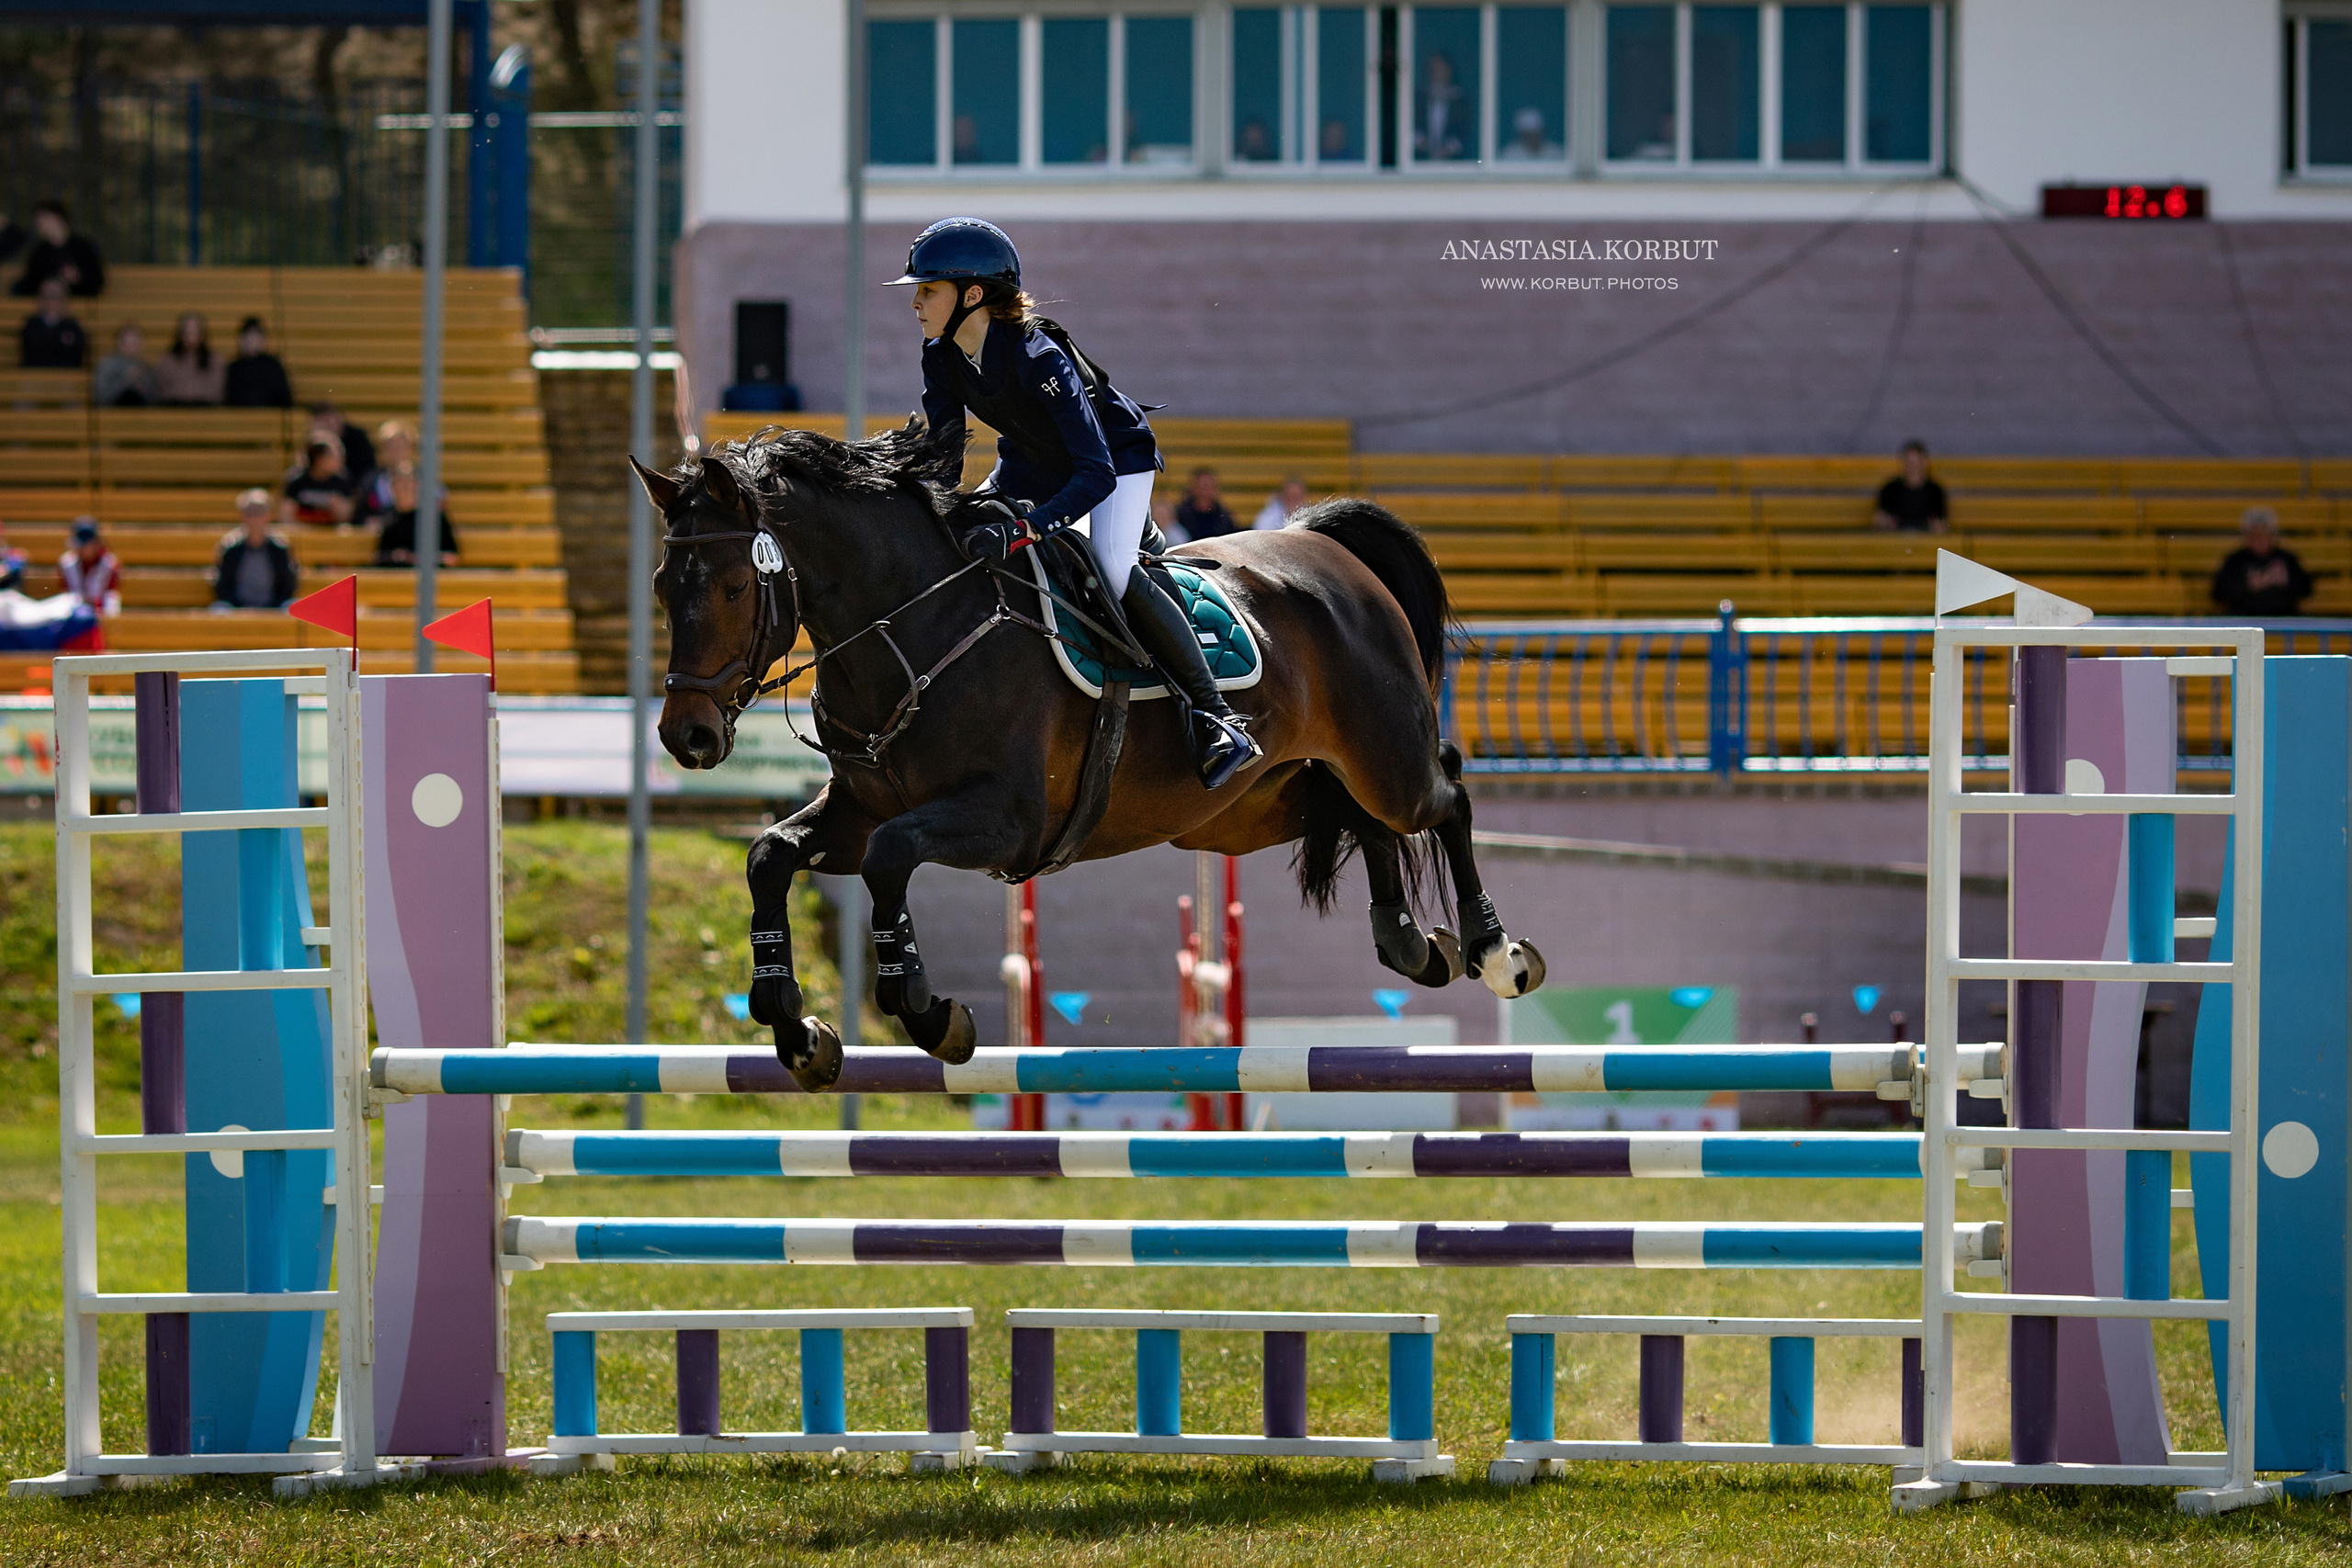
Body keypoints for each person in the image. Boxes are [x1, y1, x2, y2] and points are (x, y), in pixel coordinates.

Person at [888, 216, 1262, 790]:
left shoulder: (1038, 357)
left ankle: (1216, 718)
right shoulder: (940, 356)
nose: (915, 301)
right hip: (1031, 462)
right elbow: (945, 459)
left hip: (1114, 459)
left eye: (927, 289)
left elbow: (1093, 474)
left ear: (972, 295)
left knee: (1112, 568)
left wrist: (1022, 533)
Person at [2211, 505, 2313, 616]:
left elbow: (2306, 588)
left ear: (2272, 536)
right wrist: (2249, 584)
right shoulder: (2235, 560)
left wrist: (2285, 580)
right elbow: (2218, 593)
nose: (2259, 539)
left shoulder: (2286, 558)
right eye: (2254, 535)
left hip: (2283, 620)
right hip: (2244, 621)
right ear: (2246, 536)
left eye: (2263, 534)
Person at [212, 490, 300, 610]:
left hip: (274, 608)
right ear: (242, 516)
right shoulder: (230, 547)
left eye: (260, 512)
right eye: (250, 512)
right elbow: (221, 585)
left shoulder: (280, 548)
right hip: (236, 609)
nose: (255, 518)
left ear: (269, 516)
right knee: (219, 609)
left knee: (292, 607)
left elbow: (289, 585)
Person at [8, 200, 106, 298]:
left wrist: (77, 280)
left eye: (43, 218)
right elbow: (30, 283)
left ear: (57, 218)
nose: (38, 224)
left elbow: (96, 282)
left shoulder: (83, 247)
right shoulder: (40, 251)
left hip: (79, 305)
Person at [372, 466, 459, 568]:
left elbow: (453, 558)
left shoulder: (434, 517)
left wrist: (416, 559)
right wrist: (397, 557)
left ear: (418, 485)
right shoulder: (388, 518)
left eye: (409, 482)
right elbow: (379, 559)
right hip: (398, 581)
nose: (405, 487)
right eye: (400, 482)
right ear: (393, 487)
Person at [1872, 440, 1949, 532]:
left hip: (1927, 541)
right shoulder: (1890, 489)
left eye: (1915, 463)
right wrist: (1882, 522)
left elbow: (1942, 522)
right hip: (1896, 540)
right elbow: (1880, 519)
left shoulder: (1935, 490)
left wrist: (1938, 527)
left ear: (1924, 463)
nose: (1912, 468)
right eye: (1909, 463)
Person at [280, 435, 356, 527]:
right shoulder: (296, 480)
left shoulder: (343, 481)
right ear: (319, 459)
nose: (341, 459)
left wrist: (339, 509)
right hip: (303, 535)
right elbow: (286, 516)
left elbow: (346, 519)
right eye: (335, 456)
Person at [154, 312, 224, 405]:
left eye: (194, 332)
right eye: (187, 332)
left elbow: (217, 391)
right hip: (175, 409)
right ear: (180, 335)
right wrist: (181, 396)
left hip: (204, 410)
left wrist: (196, 396)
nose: (190, 337)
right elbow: (161, 389)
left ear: (201, 335)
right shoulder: (168, 360)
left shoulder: (213, 360)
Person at [224, 316, 293, 408]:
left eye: (255, 335)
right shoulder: (234, 368)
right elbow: (229, 399)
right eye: (248, 336)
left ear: (262, 339)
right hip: (240, 418)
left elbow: (284, 397)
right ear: (241, 340)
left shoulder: (273, 366)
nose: (252, 340)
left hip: (270, 417)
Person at [19, 277, 85, 368]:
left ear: (64, 299)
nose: (51, 302)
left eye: (55, 297)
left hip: (66, 377)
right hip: (35, 376)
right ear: (40, 299)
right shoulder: (31, 325)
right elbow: (32, 350)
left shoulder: (73, 326)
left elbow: (76, 354)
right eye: (47, 297)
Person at [59, 519, 120, 615]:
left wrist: (94, 603)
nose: (83, 548)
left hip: (100, 611)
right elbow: (65, 592)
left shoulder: (109, 563)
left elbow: (110, 592)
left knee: (112, 599)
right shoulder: (66, 563)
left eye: (87, 544)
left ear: (96, 543)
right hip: (74, 614)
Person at [93, 323, 159, 407]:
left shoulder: (145, 367)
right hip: (112, 412)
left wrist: (142, 387)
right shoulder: (108, 365)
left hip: (142, 414)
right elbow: (101, 396)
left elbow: (154, 398)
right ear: (119, 343)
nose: (133, 345)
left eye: (136, 341)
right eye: (130, 341)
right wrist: (127, 380)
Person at [309, 400, 375, 482]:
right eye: (324, 424)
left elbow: (367, 468)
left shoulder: (358, 438)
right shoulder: (313, 444)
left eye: (329, 423)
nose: (328, 428)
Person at [1171, 467, 1238, 541]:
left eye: (1210, 486)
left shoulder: (1224, 518)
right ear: (1193, 487)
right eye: (1203, 486)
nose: (1206, 491)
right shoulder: (1179, 515)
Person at [1498, 106, 1563, 161]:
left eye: (1535, 132)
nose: (1532, 137)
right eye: (1528, 134)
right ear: (1521, 135)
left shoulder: (1555, 152)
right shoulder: (1510, 153)